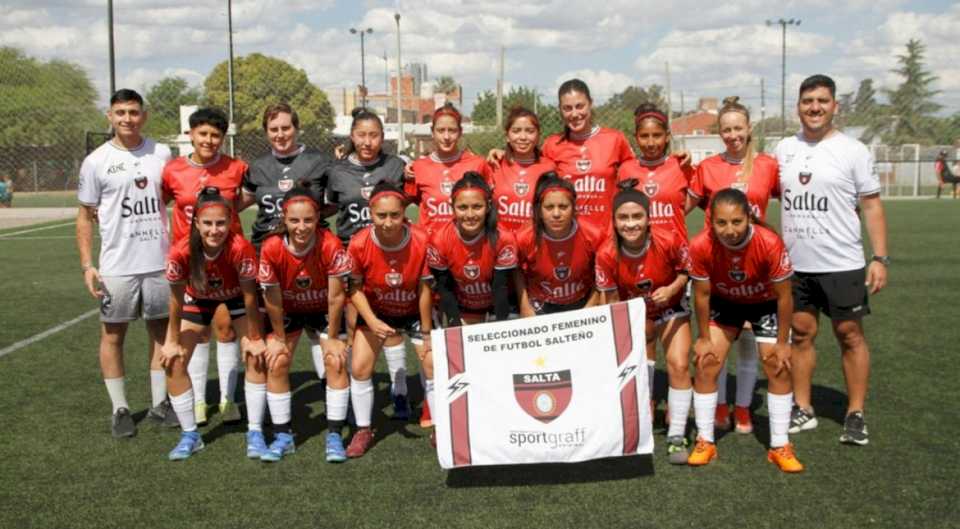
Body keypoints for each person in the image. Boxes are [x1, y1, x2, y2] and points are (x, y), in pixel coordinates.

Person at [775, 74, 889, 445]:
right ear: (798, 107)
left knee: (849, 334)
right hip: (797, 265)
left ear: (834, 105)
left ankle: (855, 413)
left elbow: (871, 205)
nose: (815, 107)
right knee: (802, 333)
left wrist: (880, 257)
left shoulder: (853, 150)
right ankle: (804, 408)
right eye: (808, 101)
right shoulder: (783, 149)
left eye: (822, 101)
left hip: (843, 263)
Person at [76, 88, 175, 437]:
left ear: (143, 115)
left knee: (161, 331)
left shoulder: (161, 153)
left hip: (159, 263)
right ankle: (119, 408)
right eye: (120, 112)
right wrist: (88, 265)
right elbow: (85, 216)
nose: (127, 119)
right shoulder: (96, 162)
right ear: (110, 116)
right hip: (117, 266)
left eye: (133, 112)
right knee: (113, 334)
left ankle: (160, 403)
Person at [687, 188, 802, 472]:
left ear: (749, 218)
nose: (729, 230)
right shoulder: (701, 245)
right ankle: (705, 441)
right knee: (707, 362)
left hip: (764, 304)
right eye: (721, 223)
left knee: (778, 364)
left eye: (737, 222)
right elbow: (701, 295)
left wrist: (784, 341)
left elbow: (785, 296)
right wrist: (703, 337)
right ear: (711, 221)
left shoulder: (769, 242)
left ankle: (779, 445)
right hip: (725, 303)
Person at [687, 96, 781, 434]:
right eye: (726, 130)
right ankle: (721, 406)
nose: (732, 135)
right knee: (718, 343)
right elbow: (684, 205)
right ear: (719, 133)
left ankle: (743, 408)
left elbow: (794, 202)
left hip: (757, 267)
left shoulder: (768, 165)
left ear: (749, 128)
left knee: (748, 343)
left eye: (738, 128)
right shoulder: (708, 167)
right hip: (718, 267)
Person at [161, 187, 265, 460]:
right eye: (207, 223)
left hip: (236, 301)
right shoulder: (181, 251)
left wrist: (253, 336)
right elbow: (175, 301)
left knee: (256, 357)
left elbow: (250, 296)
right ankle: (190, 435)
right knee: (173, 362)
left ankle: (255, 433)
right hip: (197, 301)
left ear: (231, 221)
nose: (214, 230)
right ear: (196, 222)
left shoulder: (240, 247)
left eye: (221, 223)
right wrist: (171, 342)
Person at [595, 182, 693, 464]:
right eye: (623, 218)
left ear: (648, 217)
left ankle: (676, 436)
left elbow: (685, 273)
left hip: (671, 307)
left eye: (637, 216)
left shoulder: (669, 239)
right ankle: (641, 416)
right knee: (636, 364)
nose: (630, 224)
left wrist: (672, 289)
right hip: (636, 311)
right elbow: (610, 299)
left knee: (679, 364)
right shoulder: (606, 253)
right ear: (613, 221)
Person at [162, 107, 248, 426]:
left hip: (227, 261)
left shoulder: (237, 168)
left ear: (222, 138)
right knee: (196, 335)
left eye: (215, 135)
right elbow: (159, 203)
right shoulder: (172, 171)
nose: (209, 140)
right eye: (203, 134)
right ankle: (198, 401)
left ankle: (228, 400)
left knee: (225, 329)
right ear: (191, 134)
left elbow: (244, 200)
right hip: (191, 263)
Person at [240, 103, 335, 392]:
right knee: (271, 319)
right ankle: (262, 386)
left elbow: (332, 202)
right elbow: (239, 203)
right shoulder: (257, 167)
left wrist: (305, 222)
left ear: (296, 127)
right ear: (266, 132)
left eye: (286, 127)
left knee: (314, 314)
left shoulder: (319, 161)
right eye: (274, 129)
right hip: (266, 251)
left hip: (309, 248)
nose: (280, 134)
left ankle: (326, 380)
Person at [325, 108, 410, 419]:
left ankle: (399, 389)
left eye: (373, 135)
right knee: (353, 322)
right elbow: (330, 207)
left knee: (391, 318)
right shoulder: (336, 171)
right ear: (352, 136)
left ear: (382, 137)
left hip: (389, 253)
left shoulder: (397, 167)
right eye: (361, 134)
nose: (367, 141)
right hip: (352, 253)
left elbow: (408, 200)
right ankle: (352, 388)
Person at [257, 181, 351, 462]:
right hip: (288, 310)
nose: (301, 227)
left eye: (308, 220)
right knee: (277, 361)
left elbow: (336, 298)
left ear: (318, 219)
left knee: (335, 360)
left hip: (323, 309)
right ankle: (283, 435)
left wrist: (333, 337)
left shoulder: (329, 243)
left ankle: (334, 434)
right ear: (283, 218)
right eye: (294, 220)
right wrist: (278, 339)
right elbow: (272, 299)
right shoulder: (272, 246)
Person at [345, 182, 434, 458]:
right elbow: (354, 289)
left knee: (432, 364)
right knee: (359, 367)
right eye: (381, 215)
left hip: (412, 309)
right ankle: (363, 429)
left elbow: (424, 289)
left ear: (404, 213)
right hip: (376, 310)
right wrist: (371, 321)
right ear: (370, 213)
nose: (388, 222)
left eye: (394, 215)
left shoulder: (421, 239)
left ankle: (441, 428)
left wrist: (427, 332)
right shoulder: (359, 242)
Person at [427, 172, 519, 326]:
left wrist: (501, 327)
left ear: (488, 206)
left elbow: (500, 288)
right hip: (462, 307)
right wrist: (456, 324)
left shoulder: (503, 238)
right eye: (462, 207)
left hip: (501, 305)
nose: (470, 215)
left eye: (477, 207)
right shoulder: (439, 240)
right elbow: (445, 289)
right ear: (452, 208)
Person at [516, 172, 602, 316]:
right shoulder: (524, 237)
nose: (556, 214)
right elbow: (516, 270)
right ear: (539, 210)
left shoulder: (593, 235)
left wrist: (591, 305)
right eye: (549, 207)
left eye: (563, 207)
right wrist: (524, 305)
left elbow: (603, 274)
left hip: (582, 302)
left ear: (574, 207)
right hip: (541, 304)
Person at [405, 103, 489, 234]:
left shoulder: (478, 164)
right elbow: (401, 205)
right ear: (432, 132)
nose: (446, 137)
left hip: (466, 246)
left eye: (452, 130)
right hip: (430, 249)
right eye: (440, 130)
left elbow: (491, 202)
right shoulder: (418, 167)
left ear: (460, 132)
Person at [617, 103, 696, 240]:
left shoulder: (681, 165)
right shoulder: (626, 169)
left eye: (657, 135)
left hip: (675, 250)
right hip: (639, 250)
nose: (651, 143)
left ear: (667, 136)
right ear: (636, 137)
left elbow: (700, 194)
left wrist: (679, 212)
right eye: (644, 136)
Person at [487, 107, 556, 233]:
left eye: (530, 131)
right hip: (501, 244)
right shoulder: (495, 164)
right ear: (507, 136)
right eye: (516, 131)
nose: (523, 137)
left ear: (538, 136)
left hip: (534, 244)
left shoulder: (549, 168)